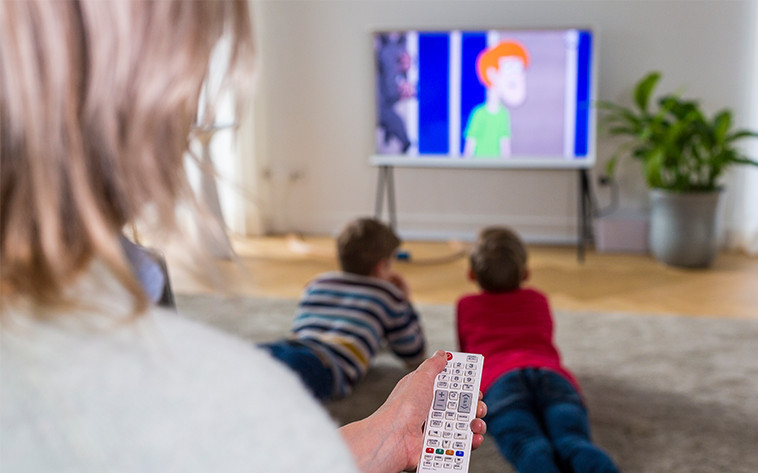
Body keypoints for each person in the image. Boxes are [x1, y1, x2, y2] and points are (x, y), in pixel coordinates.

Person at [0, 2, 485, 472]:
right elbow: (411, 345)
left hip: (293, 343)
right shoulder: (376, 302)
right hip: (323, 365)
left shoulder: (318, 284)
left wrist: (382, 436)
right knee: (270, 385)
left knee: (261, 370)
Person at [456, 227, 620, 473]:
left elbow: (468, 360)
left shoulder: (466, 306)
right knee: (573, 442)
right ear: (526, 273)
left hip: (499, 384)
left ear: (471, 274)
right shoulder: (538, 299)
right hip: (551, 376)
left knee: (529, 447)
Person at [260, 217, 426, 401]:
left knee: (245, 366)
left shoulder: (318, 282)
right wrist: (405, 300)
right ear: (381, 267)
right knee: (274, 393)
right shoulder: (387, 293)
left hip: (286, 346)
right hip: (325, 365)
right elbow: (413, 353)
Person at [463, 40, 530, 159]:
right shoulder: (479, 114)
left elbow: (505, 144)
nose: (517, 77)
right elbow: (470, 143)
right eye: (510, 69)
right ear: (491, 74)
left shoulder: (503, 114)